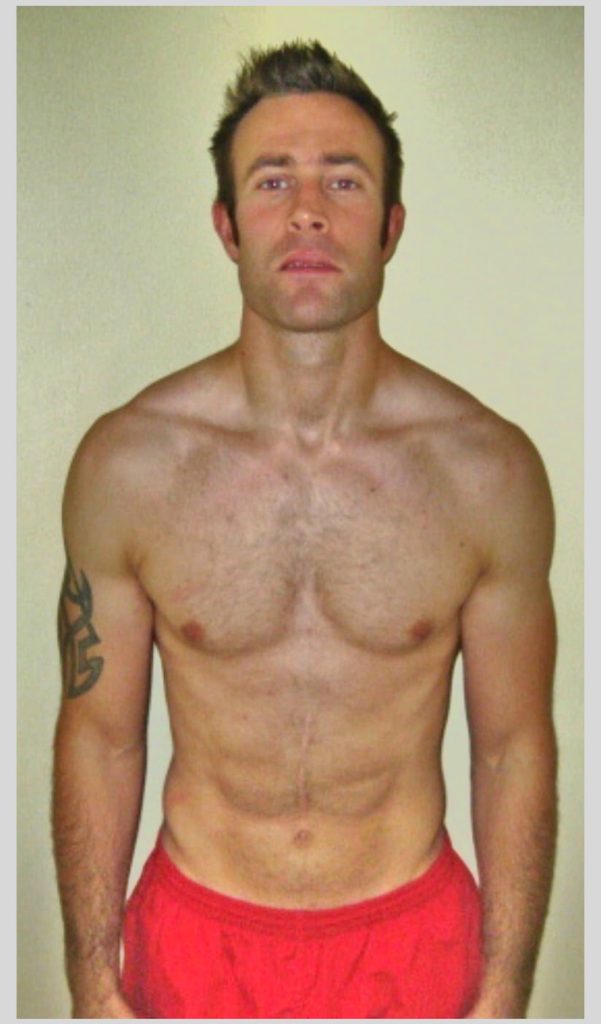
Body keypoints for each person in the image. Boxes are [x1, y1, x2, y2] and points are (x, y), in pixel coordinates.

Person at [52, 40, 558, 1019]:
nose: (309, 210)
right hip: (194, 941)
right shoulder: (127, 464)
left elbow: (511, 747)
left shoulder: (487, 471)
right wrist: (90, 981)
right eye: (274, 179)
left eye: (344, 179)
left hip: (412, 945)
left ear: (391, 225)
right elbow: (100, 737)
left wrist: (503, 991)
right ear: (227, 224)